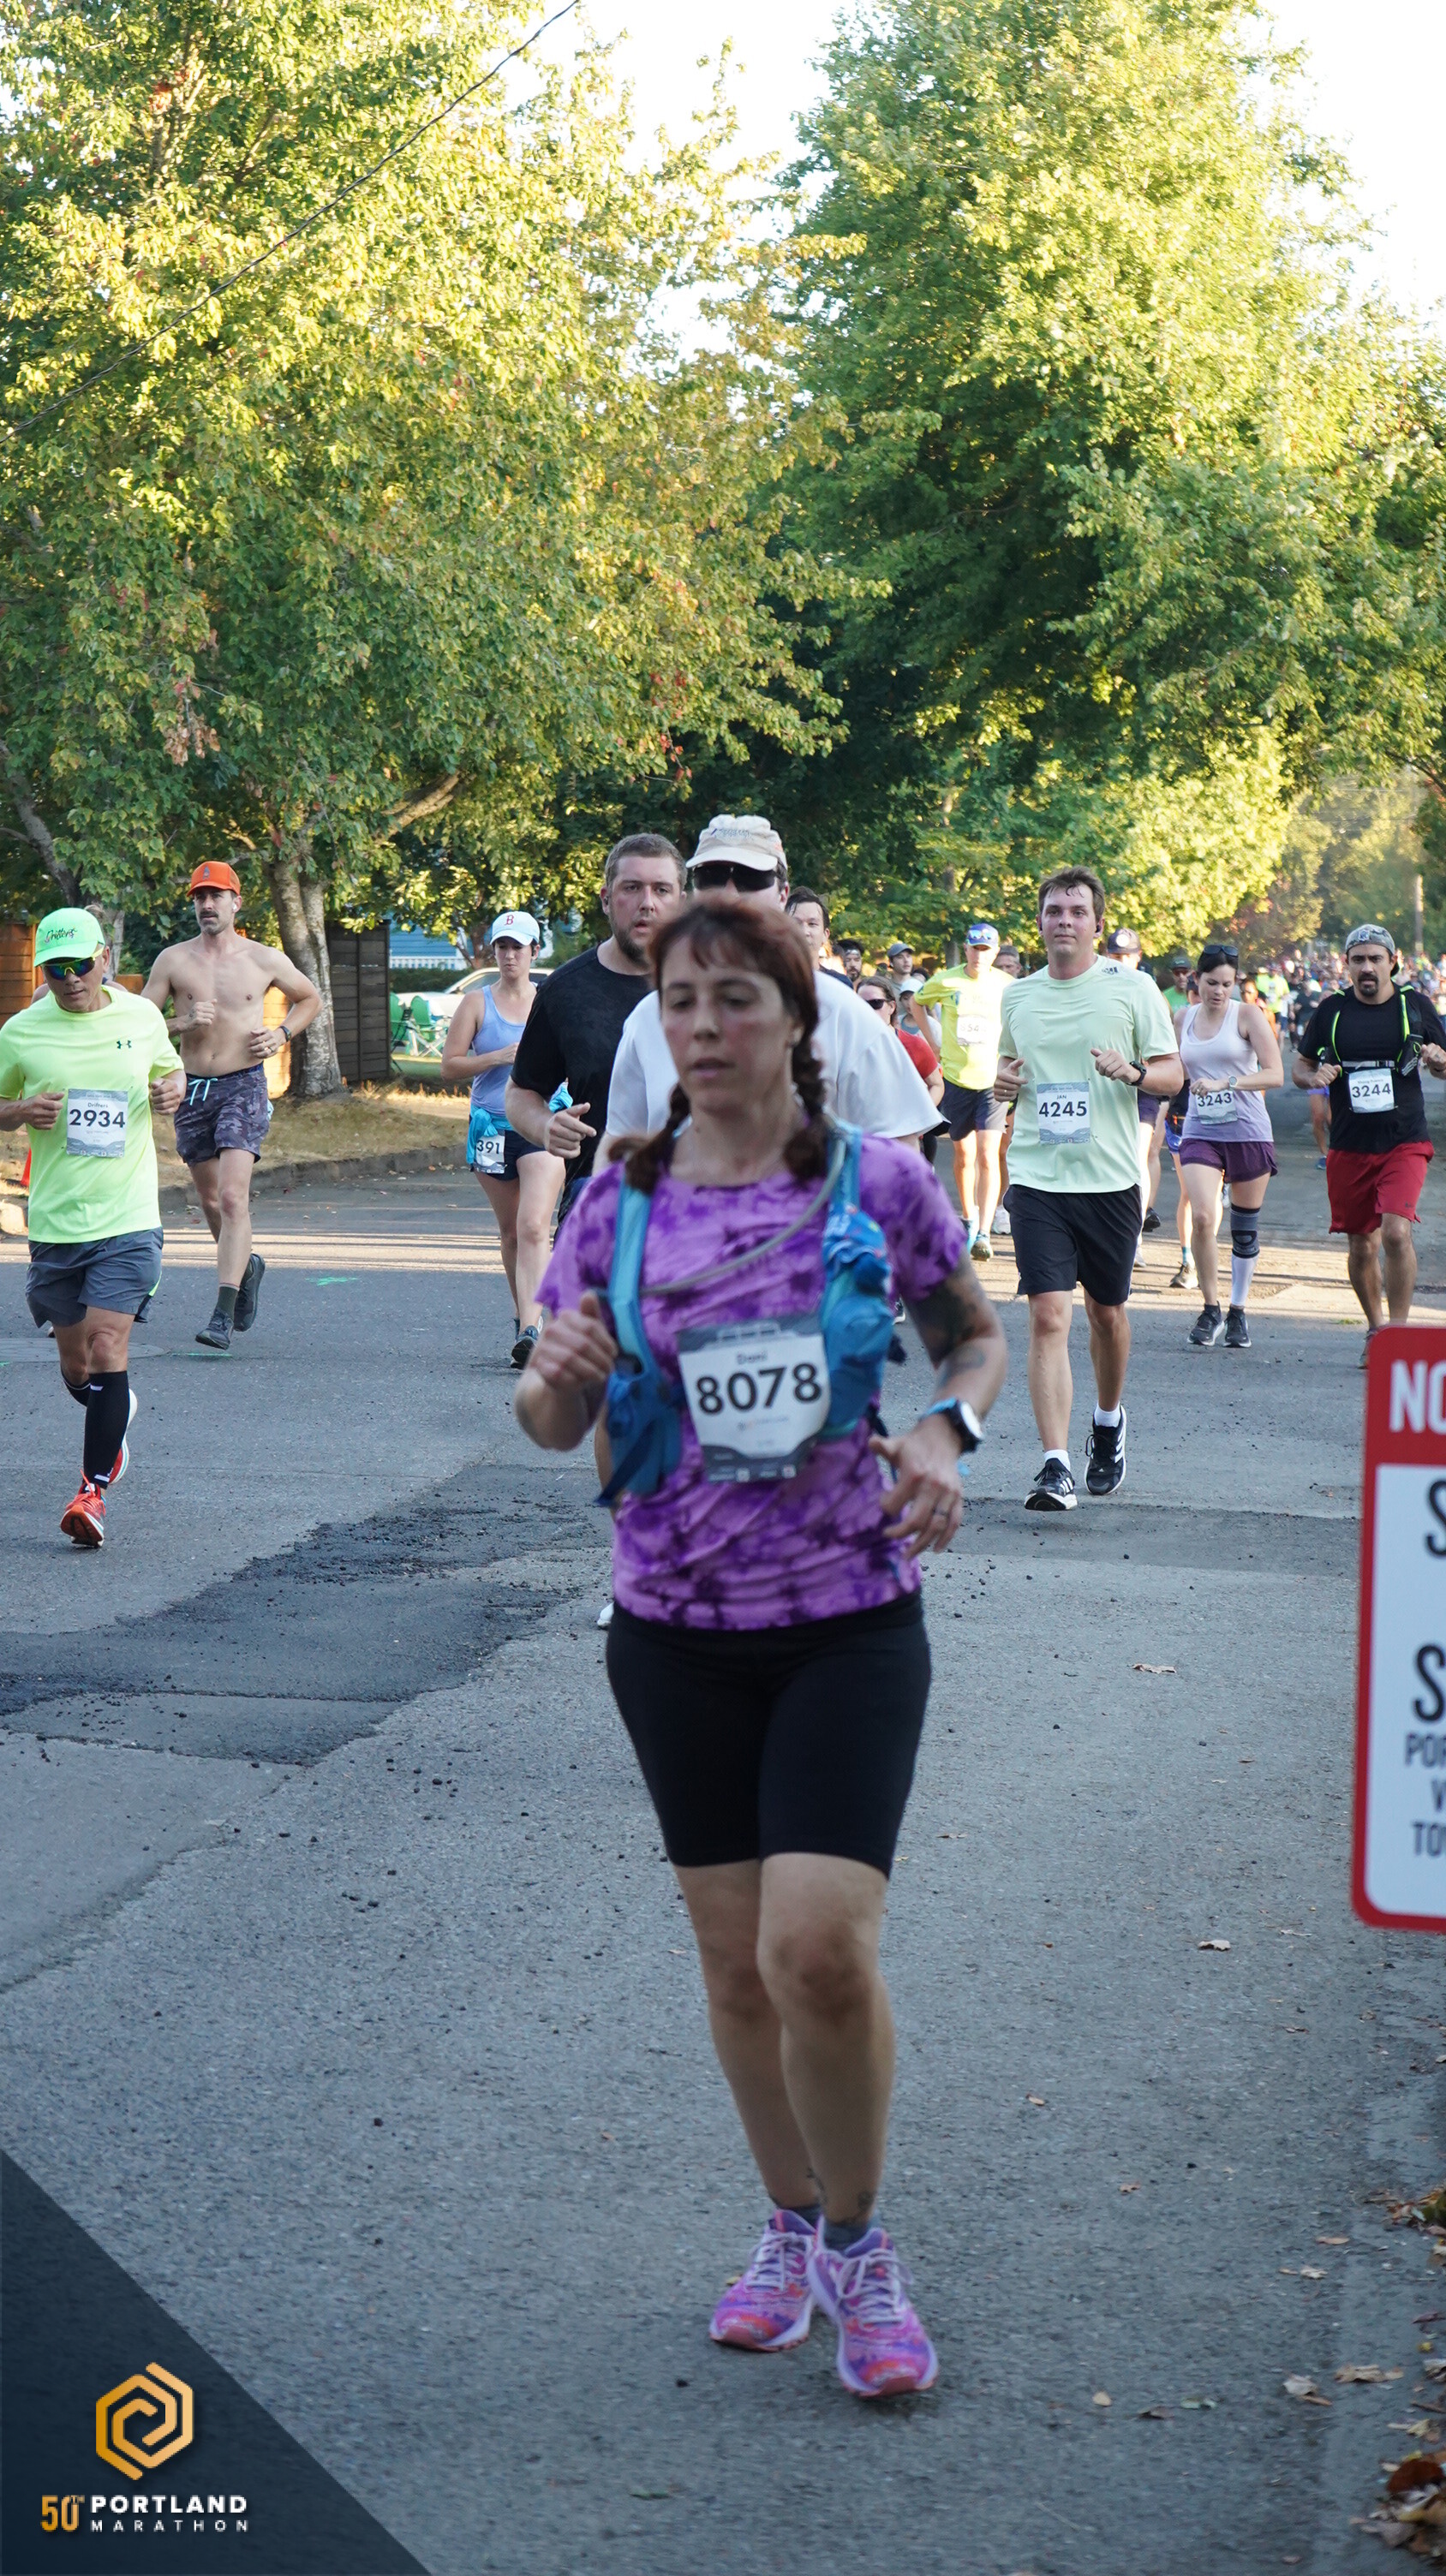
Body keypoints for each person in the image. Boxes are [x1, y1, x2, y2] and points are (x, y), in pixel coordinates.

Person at [516, 897, 1007, 2398]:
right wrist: (557, 1371)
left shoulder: (875, 1182)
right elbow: (549, 1420)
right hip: (672, 1632)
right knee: (736, 1969)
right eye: (681, 1000)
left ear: (799, 1019)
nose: (704, 1026)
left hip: (847, 1619)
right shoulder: (619, 1201)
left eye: (736, 998)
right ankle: (789, 2225)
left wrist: (945, 1428)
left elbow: (972, 1337)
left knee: (815, 1951)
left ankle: (859, 2240)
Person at [993, 868, 1183, 1510]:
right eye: (1054, 910)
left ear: (1097, 924)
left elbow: (1172, 1074)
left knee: (1106, 1314)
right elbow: (1009, 1065)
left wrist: (1132, 1072)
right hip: (1037, 1175)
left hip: (1109, 1178)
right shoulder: (1019, 996)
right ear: (1040, 922)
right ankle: (1055, 1465)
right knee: (1048, 1314)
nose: (1065, 921)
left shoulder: (1133, 989)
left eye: (1077, 911)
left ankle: (1107, 1421)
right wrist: (1003, 1082)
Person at [0, 908, 186, 1545]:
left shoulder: (141, 1017)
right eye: (57, 969)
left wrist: (173, 1089)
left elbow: (169, 1069)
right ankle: (112, 1403)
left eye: (82, 964)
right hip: (57, 1221)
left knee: (109, 1346)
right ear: (43, 972)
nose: (72, 978)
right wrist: (21, 1109)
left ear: (104, 957)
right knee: (78, 1366)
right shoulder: (22, 1032)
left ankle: (92, 1493)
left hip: (128, 1216)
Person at [601, 818, 935, 1151]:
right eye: (712, 876)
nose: (730, 893)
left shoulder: (845, 1016)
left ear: (782, 895)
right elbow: (618, 1148)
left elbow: (900, 1151)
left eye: (750, 877)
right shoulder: (650, 1018)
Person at [141, 861, 320, 1350]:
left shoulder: (263, 959)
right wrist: (181, 1024)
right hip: (193, 1088)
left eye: (216, 896)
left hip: (243, 1085)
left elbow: (310, 998)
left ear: (236, 903)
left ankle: (222, 1312)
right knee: (209, 1201)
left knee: (232, 1197)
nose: (207, 905)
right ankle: (248, 1266)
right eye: (200, 897)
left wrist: (282, 1034)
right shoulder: (173, 961)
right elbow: (138, 1023)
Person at [504, 834, 684, 1220]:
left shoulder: (716, 988)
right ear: (605, 899)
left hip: (697, 1208)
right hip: (599, 1206)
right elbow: (520, 1091)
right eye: (631, 888)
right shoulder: (565, 991)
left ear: (682, 902)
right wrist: (546, 1126)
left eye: (662, 889)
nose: (647, 903)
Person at [1294, 923, 1446, 1364]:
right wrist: (1313, 1078)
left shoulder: (1414, 1006)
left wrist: (1439, 1060)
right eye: (1358, 959)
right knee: (1362, 1244)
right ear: (1347, 964)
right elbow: (1301, 1067)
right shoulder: (1332, 1011)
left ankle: (1398, 1335)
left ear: (1392, 962)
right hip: (1350, 1144)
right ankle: (1376, 1329)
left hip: (1404, 1140)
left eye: (1375, 959)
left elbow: (1443, 1065)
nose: (1367, 967)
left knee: (1396, 1232)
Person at [439, 910, 565, 1368]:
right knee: (511, 1232)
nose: (510, 956)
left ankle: (533, 1328)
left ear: (535, 951)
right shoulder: (476, 1003)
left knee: (534, 1226)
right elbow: (449, 1065)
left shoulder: (552, 1000)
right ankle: (524, 1319)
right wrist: (497, 1057)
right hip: (491, 1128)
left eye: (518, 947)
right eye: (502, 947)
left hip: (542, 1123)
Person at [1174, 943, 1282, 1349]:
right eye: (1211, 983)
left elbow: (1275, 1074)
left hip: (1248, 1130)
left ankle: (1238, 1310)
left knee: (1243, 1230)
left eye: (1227, 983)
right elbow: (1174, 1070)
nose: (1219, 991)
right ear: (1196, 980)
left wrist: (1227, 1083)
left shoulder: (1248, 1015)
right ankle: (1210, 1308)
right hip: (1201, 1129)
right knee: (1203, 1215)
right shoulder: (1183, 1018)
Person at [912, 923, 1012, 1258]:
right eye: (974, 949)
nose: (979, 955)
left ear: (995, 952)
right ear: (966, 949)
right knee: (964, 1156)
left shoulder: (1007, 985)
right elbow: (917, 1002)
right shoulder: (946, 980)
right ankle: (969, 1217)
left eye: (986, 950)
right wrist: (932, 1041)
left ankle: (984, 1231)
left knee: (988, 1154)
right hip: (956, 1079)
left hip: (992, 1081)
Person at [1101, 926, 1166, 1249]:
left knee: (1137, 1157)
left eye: (1127, 956)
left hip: (1141, 1087)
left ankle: (1134, 1237)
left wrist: (1141, 1071)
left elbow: (1166, 1054)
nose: (1121, 962)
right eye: (1115, 956)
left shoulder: (1148, 991)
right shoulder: (1093, 990)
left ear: (1138, 958)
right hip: (1103, 1088)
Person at [785, 887, 849, 986]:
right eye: (796, 923)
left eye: (812, 924)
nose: (804, 932)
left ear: (825, 934)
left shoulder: (839, 984)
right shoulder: (769, 981)